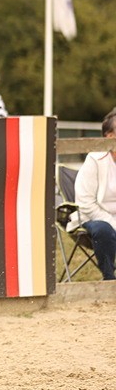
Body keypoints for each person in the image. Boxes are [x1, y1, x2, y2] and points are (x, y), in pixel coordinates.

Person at [74, 109, 116, 280]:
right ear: (109, 136)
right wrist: (114, 223)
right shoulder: (94, 159)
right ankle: (109, 278)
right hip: (94, 219)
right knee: (103, 229)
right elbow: (86, 203)